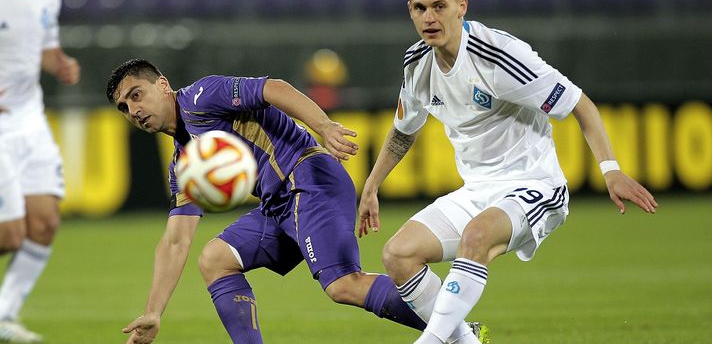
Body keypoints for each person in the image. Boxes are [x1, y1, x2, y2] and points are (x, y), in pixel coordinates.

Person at [357, 0, 658, 344]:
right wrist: (372, 185)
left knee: (477, 235)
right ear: (410, 11)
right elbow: (404, 130)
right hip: (477, 190)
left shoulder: (498, 56)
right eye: (420, 8)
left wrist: (610, 169)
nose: (429, 17)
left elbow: (580, 104)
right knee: (398, 254)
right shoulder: (417, 63)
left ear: (462, 7)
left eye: (439, 6)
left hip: (535, 185)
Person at [106, 59, 483, 344]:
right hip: (279, 204)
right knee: (215, 259)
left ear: (163, 84)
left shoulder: (201, 97)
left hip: (308, 178)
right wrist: (153, 312)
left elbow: (273, 88)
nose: (133, 110)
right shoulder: (183, 163)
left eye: (136, 95)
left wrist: (324, 126)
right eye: (123, 107)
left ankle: (460, 332)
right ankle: (459, 330)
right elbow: (176, 240)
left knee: (343, 285)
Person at [0, 0, 81, 342]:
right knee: (9, 236)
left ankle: (3, 316)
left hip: (31, 121)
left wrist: (61, 64)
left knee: (45, 223)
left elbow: (43, 48)